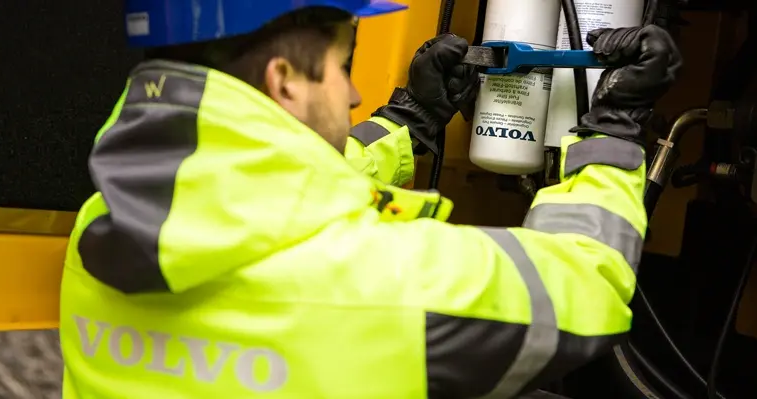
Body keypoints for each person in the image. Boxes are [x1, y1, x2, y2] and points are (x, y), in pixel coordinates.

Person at [59, 1, 682, 398]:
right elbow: (586, 283)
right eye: (341, 66)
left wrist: (409, 123)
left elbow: (264, 184)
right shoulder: (388, 284)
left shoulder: (102, 227)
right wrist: (612, 134)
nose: (355, 94)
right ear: (284, 80)